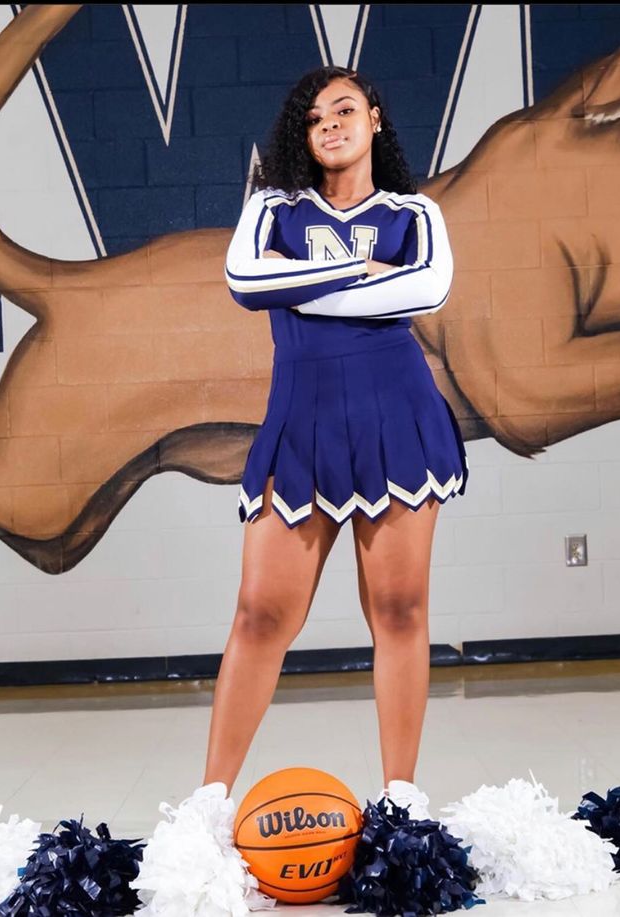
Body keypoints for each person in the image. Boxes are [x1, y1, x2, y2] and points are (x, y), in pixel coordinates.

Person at [197, 64, 470, 825]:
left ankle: (400, 804)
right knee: (259, 613)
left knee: (401, 608)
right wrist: (361, 270)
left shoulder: (417, 215)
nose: (331, 125)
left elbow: (425, 290)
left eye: (345, 109)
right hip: (303, 422)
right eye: (315, 118)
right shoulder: (270, 210)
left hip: (396, 418)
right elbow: (245, 281)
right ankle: (209, 810)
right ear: (303, 137)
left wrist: (305, 278)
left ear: (376, 118)